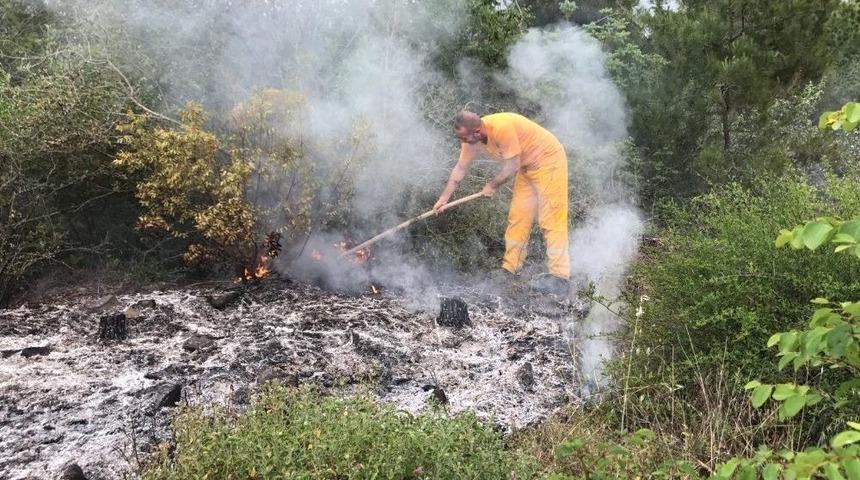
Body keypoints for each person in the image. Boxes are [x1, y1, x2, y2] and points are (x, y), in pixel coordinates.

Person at [433, 111, 570, 294]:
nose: (463, 142)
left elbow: (512, 166)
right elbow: (459, 169)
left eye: (465, 138)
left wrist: (491, 185)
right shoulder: (470, 141)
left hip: (549, 160)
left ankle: (560, 277)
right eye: (461, 138)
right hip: (526, 167)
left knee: (551, 218)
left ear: (478, 131)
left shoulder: (502, 127)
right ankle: (510, 268)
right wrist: (443, 199)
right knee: (518, 217)